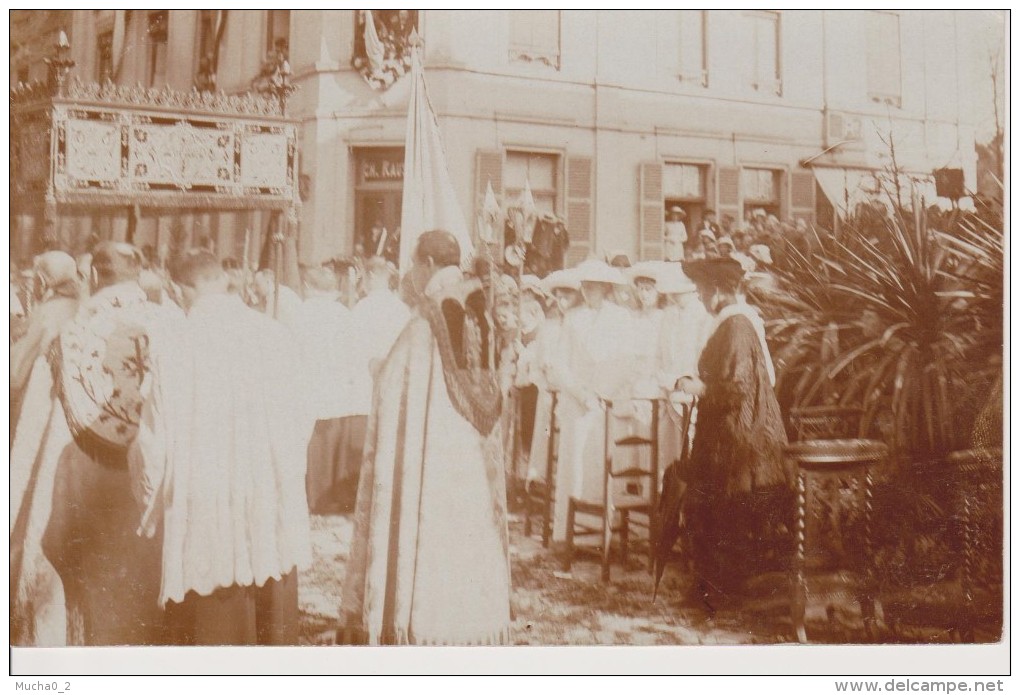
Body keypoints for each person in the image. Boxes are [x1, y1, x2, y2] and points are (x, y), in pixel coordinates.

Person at [130, 249, 313, 645]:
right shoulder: (275, 334)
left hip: (205, 502)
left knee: (210, 632)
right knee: (270, 598)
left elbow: (153, 441)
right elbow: (304, 416)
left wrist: (151, 505)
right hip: (267, 494)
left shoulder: (175, 345)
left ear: (179, 291)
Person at [339, 230, 511, 645]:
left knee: (433, 535)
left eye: (416, 264)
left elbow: (398, 382)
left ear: (429, 264)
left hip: (433, 454)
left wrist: (379, 369)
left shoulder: (429, 315)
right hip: (470, 450)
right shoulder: (481, 306)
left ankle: (425, 624)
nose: (413, 273)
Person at [30, 242, 173, 646]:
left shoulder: (76, 328)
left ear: (94, 276)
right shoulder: (171, 320)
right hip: (158, 475)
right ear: (139, 274)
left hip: (93, 472)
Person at [677, 257, 791, 606]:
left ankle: (723, 592)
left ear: (716, 291)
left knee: (725, 509)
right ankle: (717, 589)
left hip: (741, 435)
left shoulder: (737, 326)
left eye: (700, 290)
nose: (698, 296)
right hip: (731, 429)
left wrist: (701, 389)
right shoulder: (731, 324)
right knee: (717, 509)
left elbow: (739, 385)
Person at [9, 252, 81, 645]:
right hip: (78, 434)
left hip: (45, 427)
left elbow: (13, 376)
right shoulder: (82, 307)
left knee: (31, 515)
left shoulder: (49, 312)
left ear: (41, 280)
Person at [549, 259, 636, 543]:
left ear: (605, 287)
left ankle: (603, 535)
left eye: (594, 286)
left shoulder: (621, 318)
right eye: (584, 286)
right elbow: (560, 363)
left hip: (606, 403)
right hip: (578, 402)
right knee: (575, 466)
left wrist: (602, 393)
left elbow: (626, 361)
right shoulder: (572, 319)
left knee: (602, 465)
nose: (588, 291)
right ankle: (570, 533)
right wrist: (581, 392)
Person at [335, 256, 412, 512]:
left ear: (370, 277)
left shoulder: (363, 308)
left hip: (365, 380)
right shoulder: (401, 309)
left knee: (364, 441)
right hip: (390, 381)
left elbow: (350, 347)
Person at [293, 266, 357, 515]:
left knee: (313, 442)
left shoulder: (302, 313)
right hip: (337, 385)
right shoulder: (343, 314)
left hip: (310, 383)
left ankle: (314, 497)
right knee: (333, 439)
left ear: (309, 287)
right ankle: (332, 496)